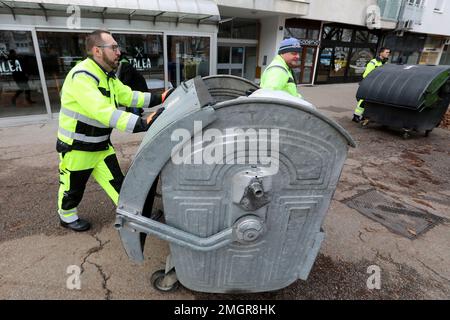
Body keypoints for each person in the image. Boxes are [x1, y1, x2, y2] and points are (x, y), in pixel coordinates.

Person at [56, 30, 173, 232]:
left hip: (100, 146)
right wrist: (142, 123)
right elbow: (103, 112)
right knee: (72, 189)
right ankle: (67, 217)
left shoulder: (107, 76)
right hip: (78, 150)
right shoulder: (82, 77)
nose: (119, 51)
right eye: (114, 47)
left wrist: (159, 98)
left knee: (120, 186)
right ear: (97, 51)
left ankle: (138, 217)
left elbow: (128, 96)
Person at [352, 47, 391, 123]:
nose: (388, 54)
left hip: (378, 85)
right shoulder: (373, 62)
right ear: (381, 53)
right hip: (369, 84)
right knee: (363, 100)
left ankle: (365, 116)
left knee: (372, 101)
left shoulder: (385, 64)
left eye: (389, 52)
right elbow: (366, 75)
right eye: (386, 52)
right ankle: (356, 116)